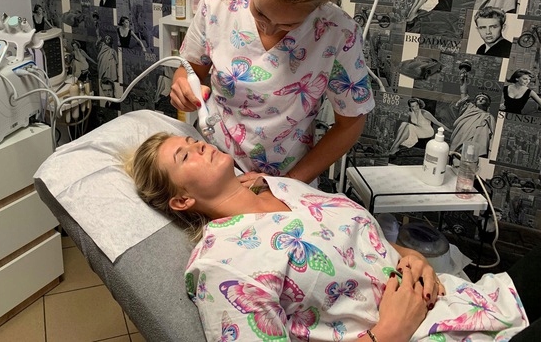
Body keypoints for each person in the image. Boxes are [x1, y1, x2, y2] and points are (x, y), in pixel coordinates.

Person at [126, 132, 532, 342]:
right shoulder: (223, 266)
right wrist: (386, 335)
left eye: (193, 141)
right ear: (181, 200)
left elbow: (356, 240)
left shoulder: (278, 186)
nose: (199, 146)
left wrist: (409, 256)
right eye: (185, 156)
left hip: (462, 302)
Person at [171, 0, 375, 186]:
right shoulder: (217, 5)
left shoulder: (338, 33)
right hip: (213, 160)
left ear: (318, 7)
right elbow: (190, 71)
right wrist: (182, 85)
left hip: (289, 175)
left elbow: (350, 123)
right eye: (260, 13)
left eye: (289, 25)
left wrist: (285, 184)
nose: (269, 28)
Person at [450, 92, 496, 157]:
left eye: (483, 99)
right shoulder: (469, 109)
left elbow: (492, 134)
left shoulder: (489, 117)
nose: (480, 100)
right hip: (464, 134)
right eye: (478, 99)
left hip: (479, 139)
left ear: (487, 103)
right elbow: (463, 94)